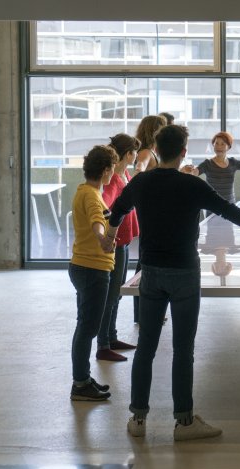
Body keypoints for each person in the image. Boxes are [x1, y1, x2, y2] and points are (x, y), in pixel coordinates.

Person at [107, 125, 240, 441]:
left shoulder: (141, 181)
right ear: (183, 153)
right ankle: (184, 422)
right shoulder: (191, 185)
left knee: (146, 346)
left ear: (158, 150)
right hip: (184, 273)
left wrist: (109, 237)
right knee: (182, 349)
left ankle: (138, 418)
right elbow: (232, 212)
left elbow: (118, 209)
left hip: (151, 272)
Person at [69, 145, 118, 401]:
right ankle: (80, 384)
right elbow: (97, 221)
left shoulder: (87, 191)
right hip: (92, 269)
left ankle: (83, 379)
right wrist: (102, 238)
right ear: (107, 170)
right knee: (88, 328)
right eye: (113, 168)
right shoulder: (90, 195)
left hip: (88, 267)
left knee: (85, 325)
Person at [96, 134, 141, 362]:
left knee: (117, 293)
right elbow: (104, 203)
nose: (136, 156)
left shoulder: (124, 173)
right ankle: (103, 344)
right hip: (116, 241)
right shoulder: (114, 178)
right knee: (111, 294)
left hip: (123, 240)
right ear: (128, 153)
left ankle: (111, 337)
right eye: (134, 152)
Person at [132, 114, 168, 323]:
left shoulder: (151, 151)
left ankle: (145, 312)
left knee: (146, 260)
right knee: (145, 262)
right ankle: (143, 313)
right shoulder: (146, 152)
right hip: (150, 212)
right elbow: (139, 169)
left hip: (154, 211)